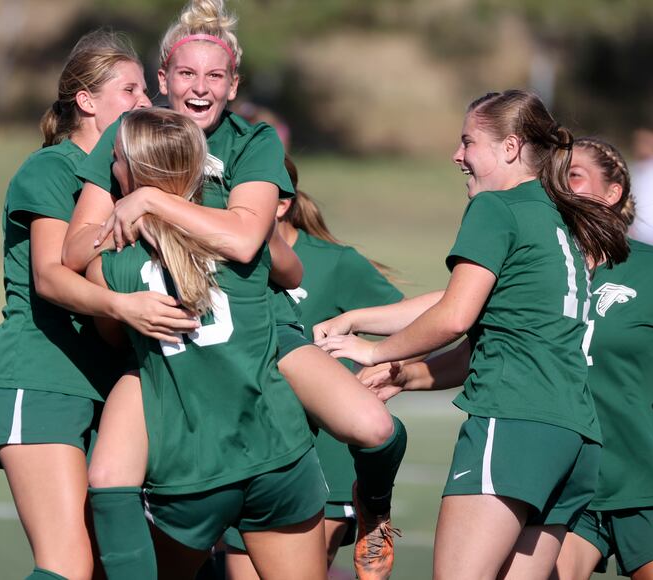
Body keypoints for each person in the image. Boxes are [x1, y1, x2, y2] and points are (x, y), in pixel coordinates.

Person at [63, 2, 408, 578]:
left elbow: (257, 248)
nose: (200, 89)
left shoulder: (252, 140)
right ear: (163, 77)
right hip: (164, 336)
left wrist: (150, 204)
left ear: (233, 85)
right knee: (110, 479)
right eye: (187, 74)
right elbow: (75, 249)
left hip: (259, 326)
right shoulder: (131, 135)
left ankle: (373, 510)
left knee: (372, 427)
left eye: (215, 76)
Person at [316, 89, 630, 579]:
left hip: (514, 422)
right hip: (575, 439)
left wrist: (373, 351)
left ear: (509, 148)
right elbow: (487, 341)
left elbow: (454, 317)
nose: (457, 155)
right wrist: (402, 372)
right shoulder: (558, 220)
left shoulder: (496, 208)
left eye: (468, 142)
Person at [0, 31, 195, 580]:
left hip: (107, 385)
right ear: (87, 101)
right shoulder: (51, 169)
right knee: (68, 566)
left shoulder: (129, 181)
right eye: (130, 90)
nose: (145, 101)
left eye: (146, 89)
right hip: (42, 377)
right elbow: (50, 276)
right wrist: (125, 309)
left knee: (113, 566)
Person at [86, 107, 329, 580]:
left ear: (134, 174)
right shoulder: (244, 236)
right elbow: (294, 272)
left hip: (192, 465)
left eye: (115, 160)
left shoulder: (116, 265)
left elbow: (109, 334)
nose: (111, 170)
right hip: (278, 452)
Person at [222, 156, 405, 579]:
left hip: (328, 461)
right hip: (251, 451)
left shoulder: (334, 262)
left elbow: (415, 322)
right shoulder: (230, 259)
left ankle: (375, 510)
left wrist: (388, 369)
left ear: (280, 204)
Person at [551, 137, 653, 579]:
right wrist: (404, 370)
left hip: (650, 479)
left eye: (574, 176)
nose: (561, 186)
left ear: (613, 191)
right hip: (568, 484)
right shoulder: (542, 276)